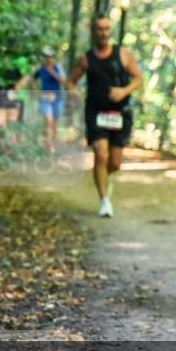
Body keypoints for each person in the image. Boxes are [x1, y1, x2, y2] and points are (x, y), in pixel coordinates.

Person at [66, 17, 143, 217]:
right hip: (96, 113)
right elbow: (70, 83)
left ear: (111, 30)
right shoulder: (85, 59)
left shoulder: (122, 54)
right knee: (101, 154)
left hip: (120, 113)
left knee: (114, 162)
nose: (103, 33)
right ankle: (104, 201)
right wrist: (76, 96)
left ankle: (103, 180)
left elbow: (138, 78)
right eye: (99, 29)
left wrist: (123, 92)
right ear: (93, 31)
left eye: (107, 28)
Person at [28, 46, 66, 154]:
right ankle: (48, 147)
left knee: (54, 123)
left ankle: (52, 144)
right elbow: (33, 80)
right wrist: (35, 91)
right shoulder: (41, 69)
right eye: (46, 57)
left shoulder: (58, 67)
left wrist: (52, 72)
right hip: (44, 98)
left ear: (53, 57)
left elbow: (63, 80)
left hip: (57, 98)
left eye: (50, 56)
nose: (48, 59)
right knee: (48, 122)